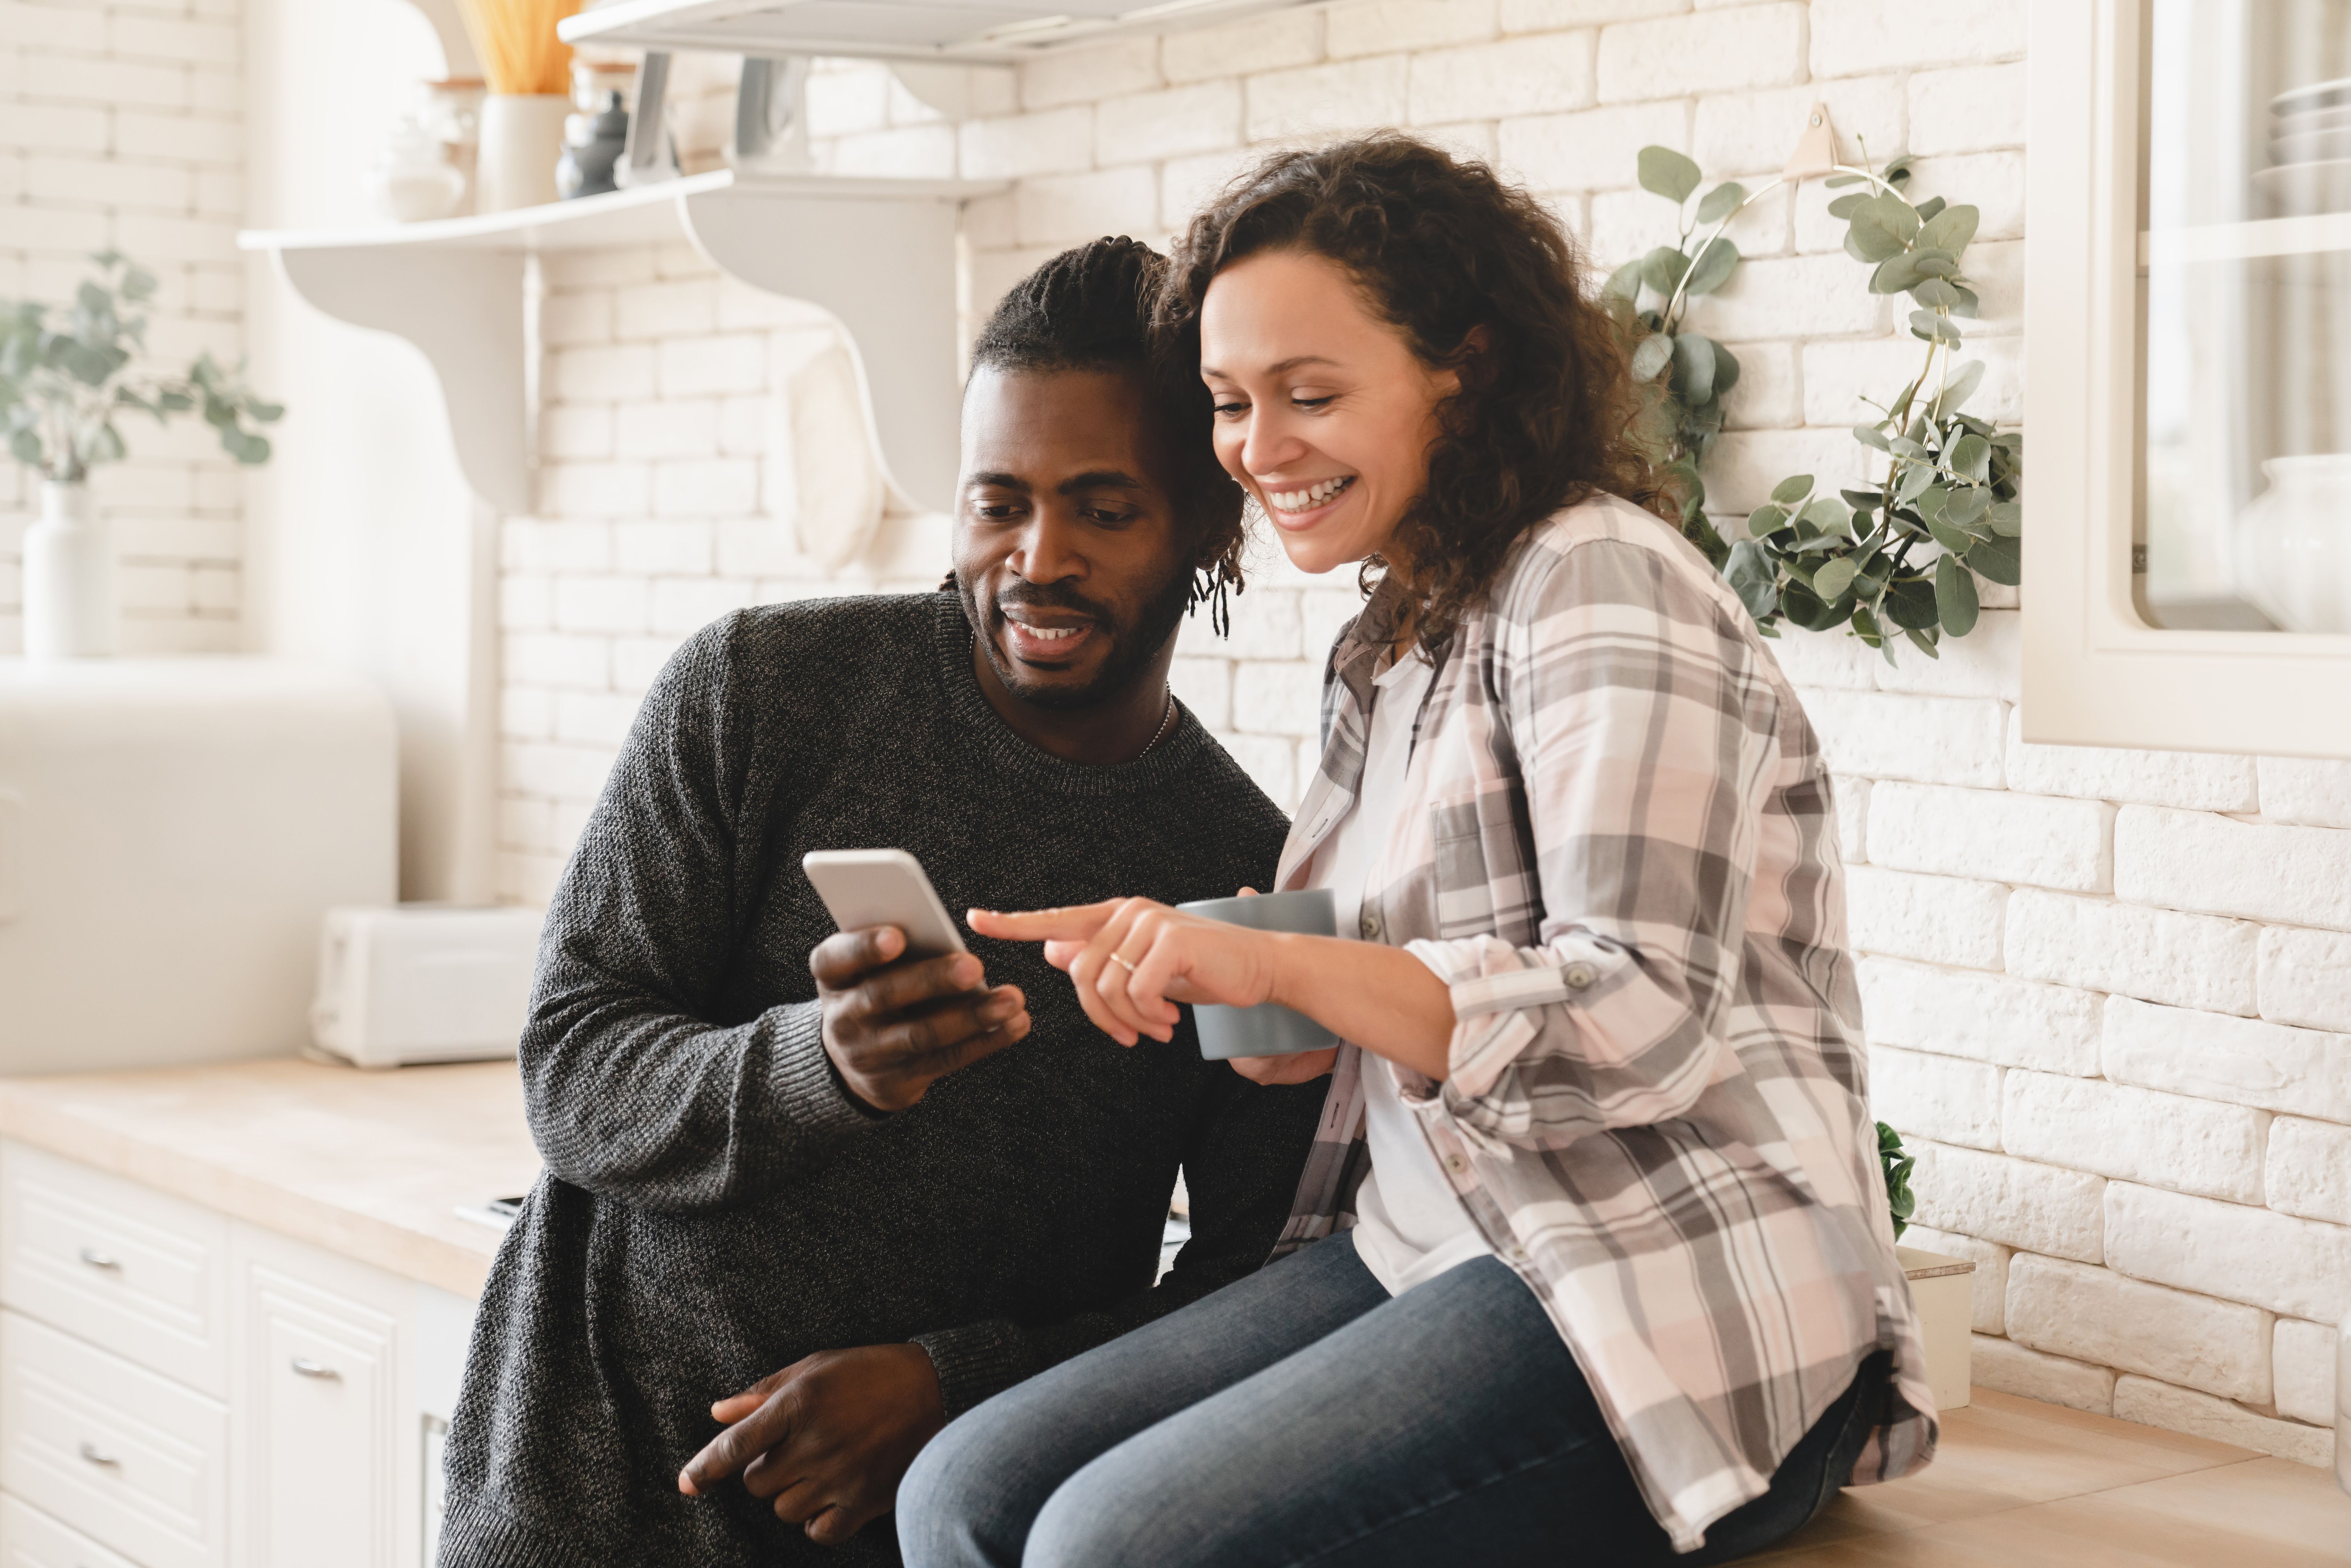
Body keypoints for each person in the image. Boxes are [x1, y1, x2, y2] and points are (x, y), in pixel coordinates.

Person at [901, 136, 1936, 1568]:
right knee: (957, 1492)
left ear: (1465, 365)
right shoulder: (1388, 644)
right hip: (1431, 1247)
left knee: (1108, 1547)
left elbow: (1637, 1016)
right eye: (1227, 403)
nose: (1259, 449)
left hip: (1665, 1300)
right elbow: (1326, 1027)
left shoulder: (1596, 576)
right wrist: (1208, 969)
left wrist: (1278, 959)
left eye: (1310, 395)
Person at [436, 237, 1328, 1568]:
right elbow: (569, 1069)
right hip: (589, 1491)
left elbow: (1258, 1283)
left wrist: (951, 1388)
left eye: (1105, 507)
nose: (1038, 559)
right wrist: (819, 1065)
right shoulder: (759, 692)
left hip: (914, 1531)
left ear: (1209, 520)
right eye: (997, 503)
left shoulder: (1246, 872)